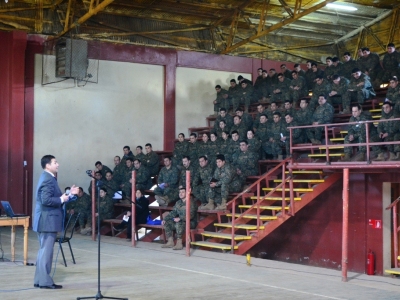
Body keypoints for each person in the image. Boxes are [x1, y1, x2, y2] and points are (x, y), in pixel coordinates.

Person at [33, 154, 78, 289]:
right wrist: (61, 200)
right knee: (46, 252)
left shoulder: (47, 177)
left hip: (46, 219)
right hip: (48, 220)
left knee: (43, 252)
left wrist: (69, 195)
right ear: (47, 165)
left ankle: (39, 280)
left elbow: (57, 198)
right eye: (55, 162)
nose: (58, 164)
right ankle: (45, 282)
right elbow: (46, 200)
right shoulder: (48, 179)